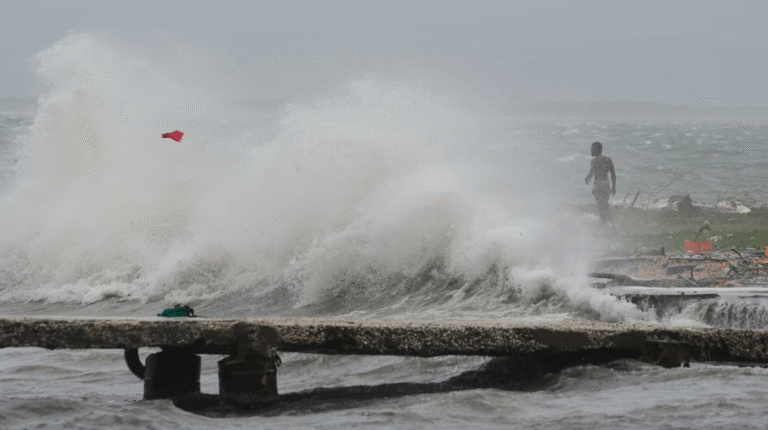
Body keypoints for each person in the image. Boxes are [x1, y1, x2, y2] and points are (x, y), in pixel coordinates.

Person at [584, 141, 616, 228]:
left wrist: (586, 178)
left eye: (592, 149)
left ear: (596, 150)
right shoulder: (608, 159)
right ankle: (612, 226)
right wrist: (614, 187)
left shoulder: (593, 161)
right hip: (606, 185)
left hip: (598, 185)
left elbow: (591, 174)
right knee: (605, 206)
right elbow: (613, 174)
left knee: (601, 207)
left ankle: (605, 227)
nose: (590, 150)